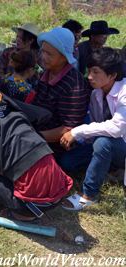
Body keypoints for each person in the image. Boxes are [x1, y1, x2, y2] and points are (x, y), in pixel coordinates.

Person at [0, 86, 73, 221]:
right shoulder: (19, 115)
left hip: (36, 204)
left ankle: (23, 213)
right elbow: (44, 114)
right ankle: (26, 201)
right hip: (59, 190)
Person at [60, 48, 126, 211]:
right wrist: (78, 140)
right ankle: (109, 169)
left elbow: (117, 128)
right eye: (89, 71)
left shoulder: (124, 92)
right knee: (67, 162)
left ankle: (88, 195)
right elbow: (97, 125)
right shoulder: (96, 94)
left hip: (122, 145)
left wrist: (76, 132)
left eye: (96, 72)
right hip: (109, 145)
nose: (90, 76)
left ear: (112, 75)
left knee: (103, 143)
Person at [32, 27, 90, 173]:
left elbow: (69, 128)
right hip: (41, 131)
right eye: (42, 51)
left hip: (61, 141)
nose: (43, 57)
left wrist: (34, 137)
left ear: (64, 57)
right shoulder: (46, 73)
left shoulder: (73, 85)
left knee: (64, 164)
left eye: (49, 54)